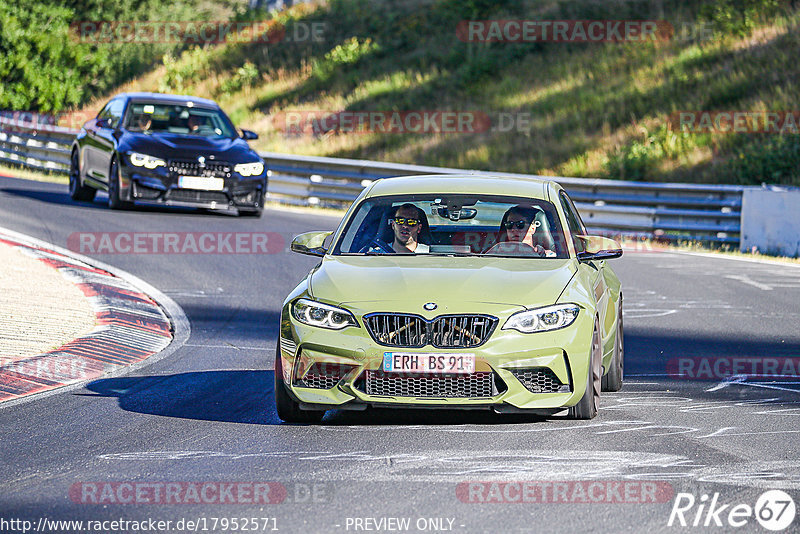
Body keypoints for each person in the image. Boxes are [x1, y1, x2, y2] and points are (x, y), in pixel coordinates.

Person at [363, 203, 429, 254]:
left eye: (411, 222)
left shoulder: (431, 254)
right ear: (393, 225)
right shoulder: (377, 255)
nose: (405, 226)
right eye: (400, 220)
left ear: (419, 228)